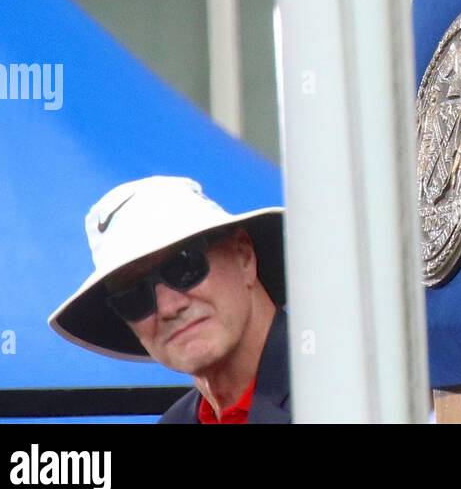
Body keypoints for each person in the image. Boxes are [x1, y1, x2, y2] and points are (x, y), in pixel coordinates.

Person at [49, 175, 289, 423]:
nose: (168, 307)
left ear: (243, 254)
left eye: (184, 265)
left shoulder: (326, 388)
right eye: (134, 294)